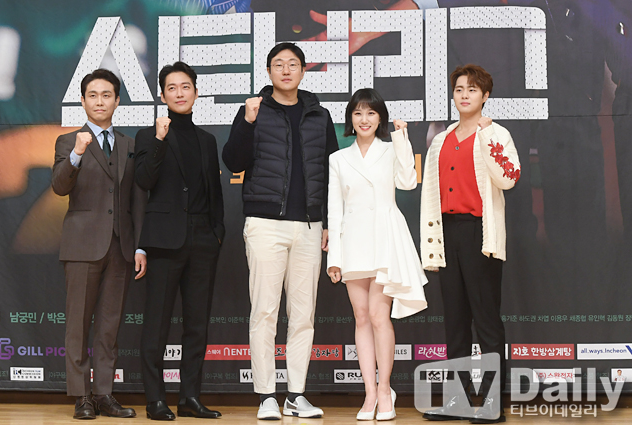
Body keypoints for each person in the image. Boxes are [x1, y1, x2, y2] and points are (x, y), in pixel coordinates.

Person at [222, 42, 338, 420]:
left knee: (303, 315)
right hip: (265, 224)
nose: (286, 70)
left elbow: (331, 173)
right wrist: (247, 121)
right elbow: (233, 161)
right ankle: (266, 396)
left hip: (309, 226)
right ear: (269, 71)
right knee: (265, 312)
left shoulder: (319, 114)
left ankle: (296, 394)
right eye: (278, 64)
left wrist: (328, 223)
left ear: (303, 70)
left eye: (292, 64)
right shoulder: (255, 109)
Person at [420, 64, 519, 424]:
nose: (464, 95)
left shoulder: (496, 133)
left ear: (485, 96)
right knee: (456, 322)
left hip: (480, 233)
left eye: (472, 89)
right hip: (447, 233)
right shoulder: (442, 138)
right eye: (459, 89)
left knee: (487, 321)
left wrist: (488, 135)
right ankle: (457, 400)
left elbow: (509, 178)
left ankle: (492, 404)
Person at [326, 88, 428, 421]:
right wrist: (334, 258)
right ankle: (369, 392)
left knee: (378, 315)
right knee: (361, 316)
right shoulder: (338, 159)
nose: (364, 119)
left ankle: (385, 389)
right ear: (350, 119)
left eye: (370, 112)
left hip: (385, 238)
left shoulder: (390, 147)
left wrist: (402, 139)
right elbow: (335, 211)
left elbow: (408, 182)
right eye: (358, 113)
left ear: (380, 117)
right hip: (352, 241)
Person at [52, 69, 146, 420]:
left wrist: (139, 247)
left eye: (107, 95)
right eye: (93, 95)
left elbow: (137, 201)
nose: (100, 101)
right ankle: (81, 396)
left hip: (120, 248)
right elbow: (59, 186)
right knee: (78, 324)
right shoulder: (68, 141)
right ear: (82, 101)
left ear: (117, 101)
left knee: (109, 326)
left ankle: (104, 393)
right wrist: (76, 154)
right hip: (81, 247)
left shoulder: (129, 145)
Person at [134, 62, 225, 420]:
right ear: (162, 95)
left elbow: (215, 192)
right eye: (171, 88)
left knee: (197, 324)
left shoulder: (207, 140)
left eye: (185, 87)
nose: (179, 93)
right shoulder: (148, 136)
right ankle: (155, 399)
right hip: (164, 241)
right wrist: (159, 140)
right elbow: (144, 181)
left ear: (196, 92)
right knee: (157, 323)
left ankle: (189, 397)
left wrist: (217, 232)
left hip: (203, 240)